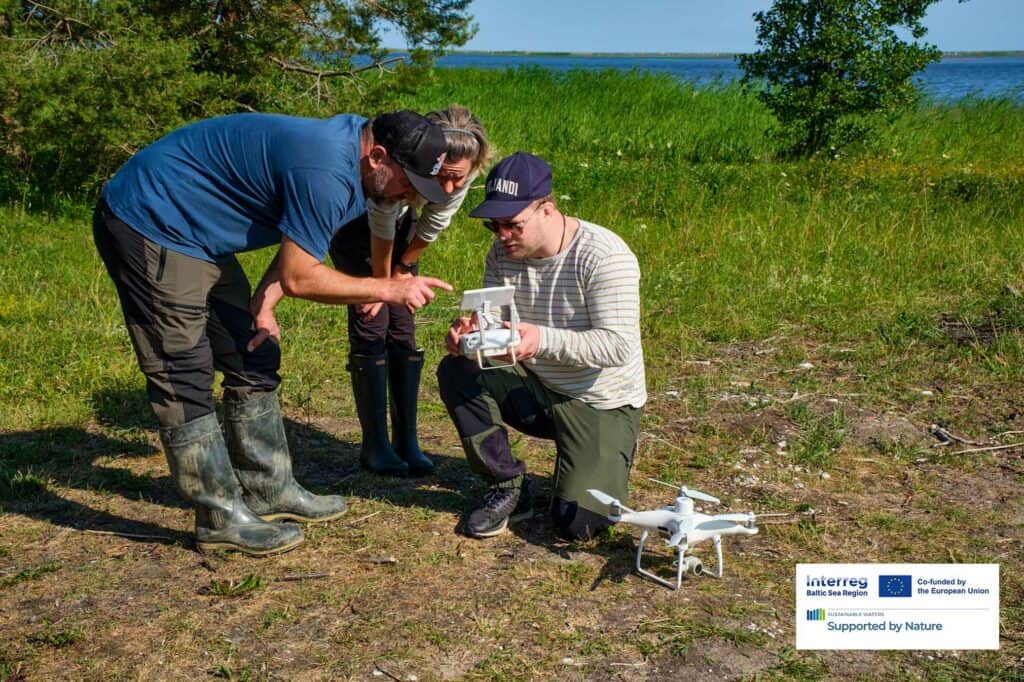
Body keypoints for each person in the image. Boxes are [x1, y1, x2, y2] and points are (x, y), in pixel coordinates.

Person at [93, 110, 453, 556]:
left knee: (253, 349)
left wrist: (266, 296)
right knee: (183, 369)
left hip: (200, 235)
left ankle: (270, 489)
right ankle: (220, 517)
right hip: (151, 221)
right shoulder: (326, 170)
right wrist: (389, 288)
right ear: (378, 156)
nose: (412, 198)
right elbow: (302, 278)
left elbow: (293, 245)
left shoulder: (356, 163)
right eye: (410, 183)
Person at [437, 152, 647, 540]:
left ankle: (605, 454)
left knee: (580, 524)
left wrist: (539, 340)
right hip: (535, 386)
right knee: (457, 371)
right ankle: (506, 485)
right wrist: (468, 337)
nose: (502, 236)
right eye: (493, 226)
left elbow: (618, 347)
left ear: (546, 210)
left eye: (512, 225)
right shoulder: (503, 254)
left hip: (599, 400)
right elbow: (496, 326)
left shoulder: (604, 255)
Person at [327, 105, 492, 478]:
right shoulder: (407, 165)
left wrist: (403, 270)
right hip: (360, 224)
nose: (449, 187)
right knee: (372, 320)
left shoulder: (463, 168)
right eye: (444, 177)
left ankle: (406, 440)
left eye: (458, 179)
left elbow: (435, 220)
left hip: (402, 228)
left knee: (402, 324)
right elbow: (380, 221)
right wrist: (380, 287)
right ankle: (375, 445)